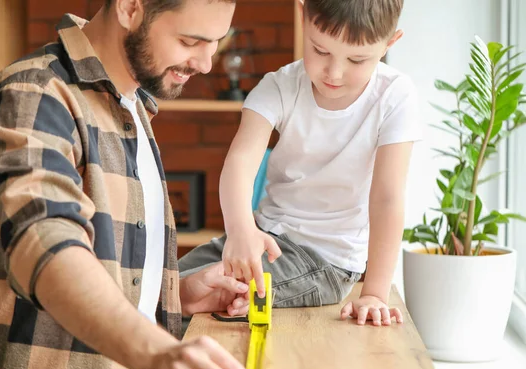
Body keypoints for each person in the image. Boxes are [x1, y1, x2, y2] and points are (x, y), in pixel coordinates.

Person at [0, 1, 265, 369]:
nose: (207, 63)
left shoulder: (132, 106)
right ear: (131, 8)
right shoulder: (36, 94)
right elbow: (46, 244)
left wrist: (174, 295)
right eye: (189, 41)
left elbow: (102, 264)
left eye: (216, 43)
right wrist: (156, 351)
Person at [179, 0, 421, 327]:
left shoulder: (395, 96)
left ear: (390, 42)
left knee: (202, 296)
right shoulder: (279, 86)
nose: (334, 73)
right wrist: (240, 230)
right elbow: (240, 160)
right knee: (162, 282)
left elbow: (387, 198)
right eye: (320, 50)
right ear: (303, 15)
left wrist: (375, 293)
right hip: (263, 237)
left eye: (356, 59)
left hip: (326, 261)